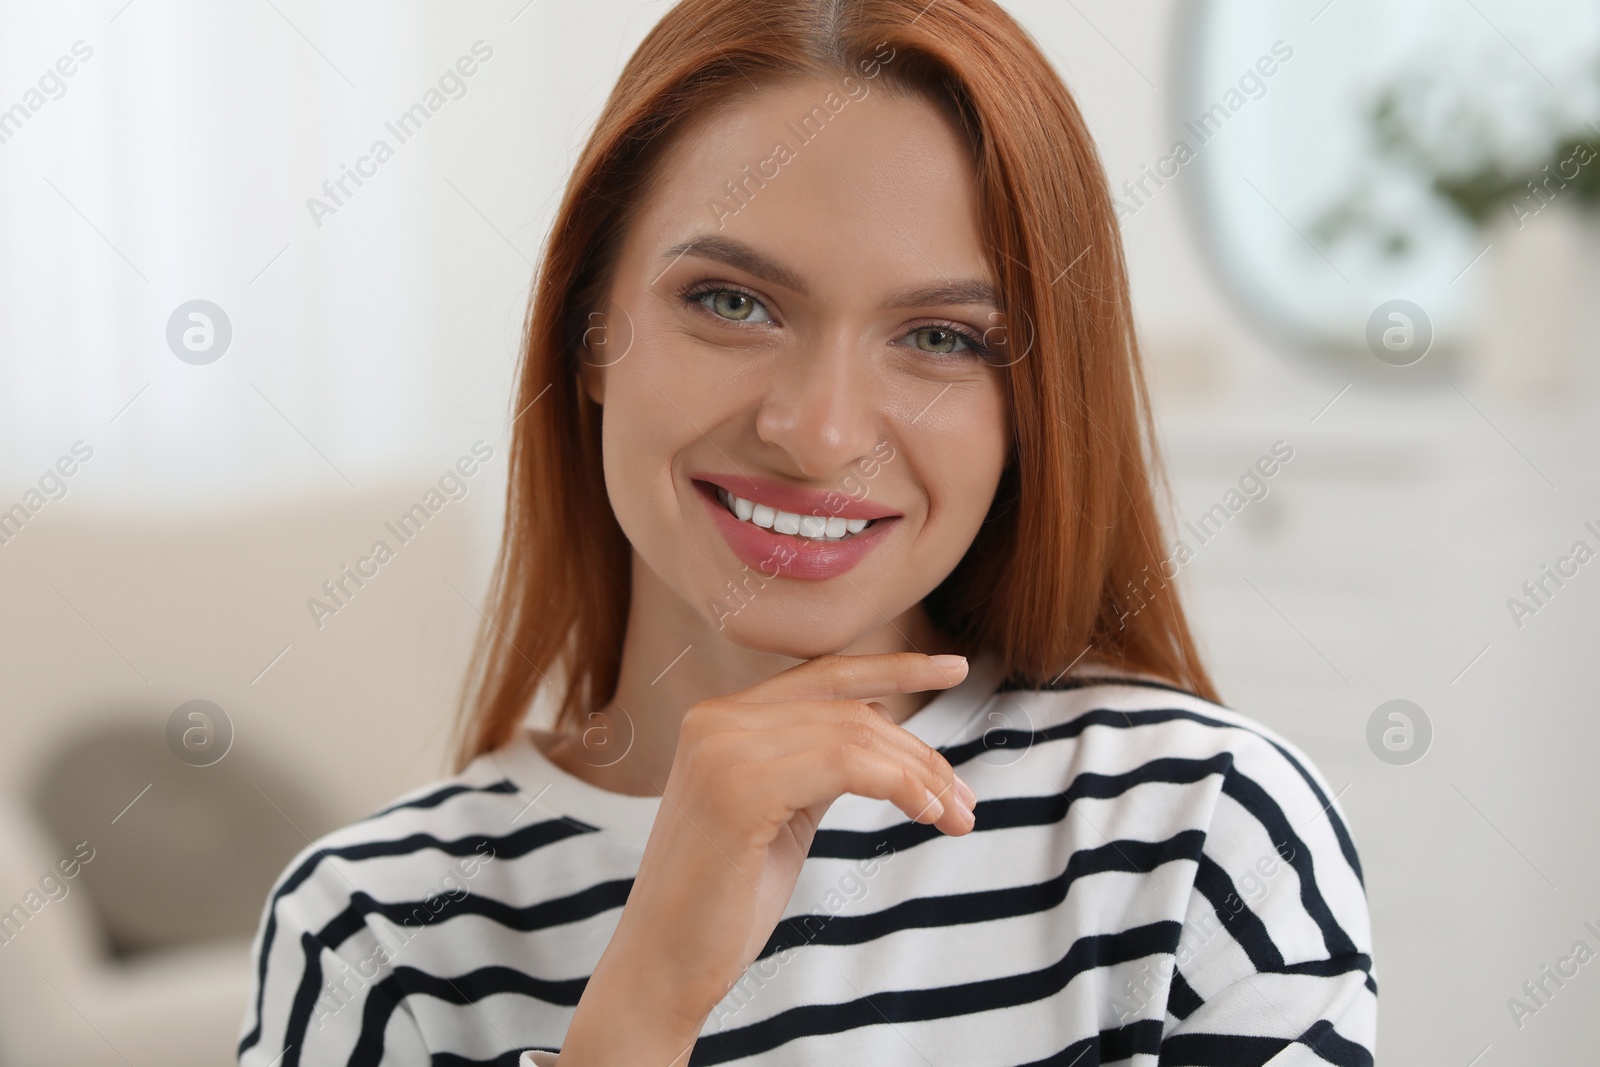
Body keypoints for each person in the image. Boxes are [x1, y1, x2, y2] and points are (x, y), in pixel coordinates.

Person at [238, 0, 1375, 1062]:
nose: (820, 433)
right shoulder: (370, 931)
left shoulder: (1200, 833)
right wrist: (640, 1006)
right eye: (732, 302)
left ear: (1033, 408)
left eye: (941, 337)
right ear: (589, 330)